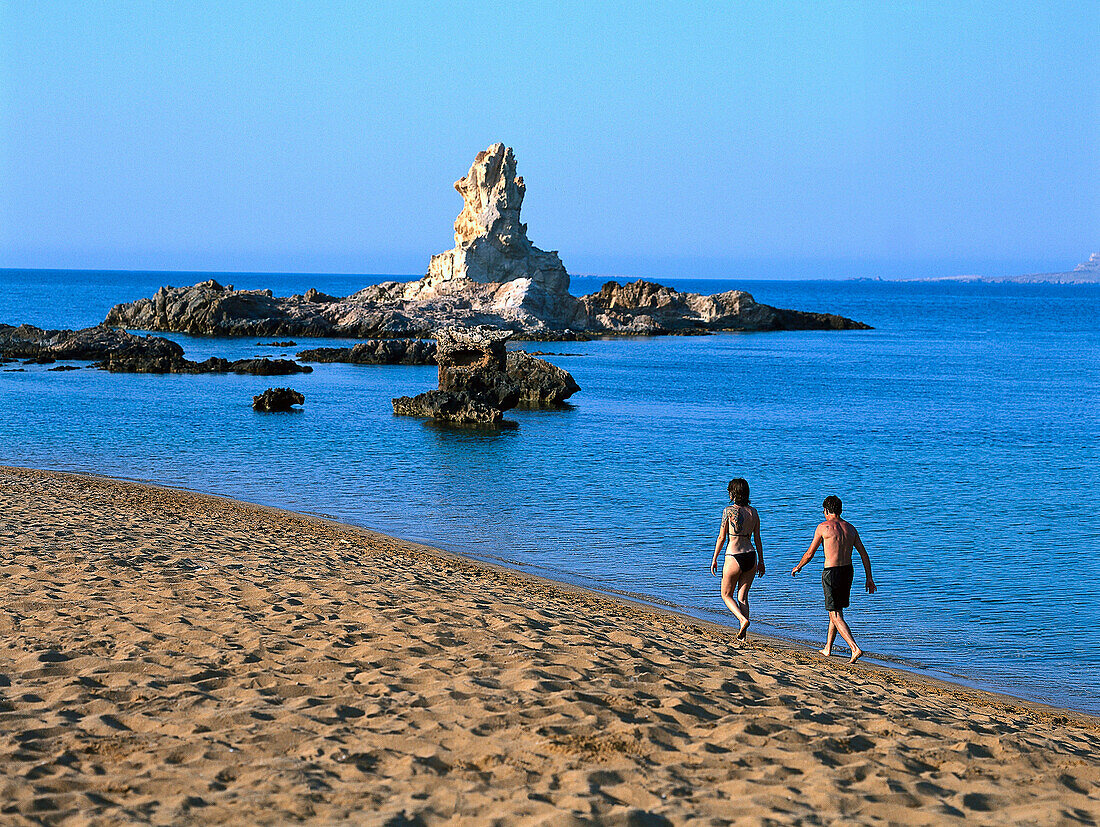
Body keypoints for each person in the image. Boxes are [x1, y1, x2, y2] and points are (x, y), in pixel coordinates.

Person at [792, 495, 876, 663]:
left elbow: (810, 553)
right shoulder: (850, 528)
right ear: (840, 510)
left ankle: (854, 648)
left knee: (835, 613)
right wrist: (869, 578)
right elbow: (864, 555)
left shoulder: (823, 527)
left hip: (831, 573)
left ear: (826, 510)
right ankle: (828, 648)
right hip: (848, 572)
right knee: (837, 611)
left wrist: (798, 566)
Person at [710, 478, 765, 640]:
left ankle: (742, 619)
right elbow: (758, 539)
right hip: (751, 556)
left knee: (726, 595)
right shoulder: (754, 512)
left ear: (733, 493)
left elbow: (721, 537)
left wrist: (714, 558)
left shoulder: (728, 511)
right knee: (743, 597)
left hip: (734, 555)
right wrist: (761, 561)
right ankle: (743, 636)